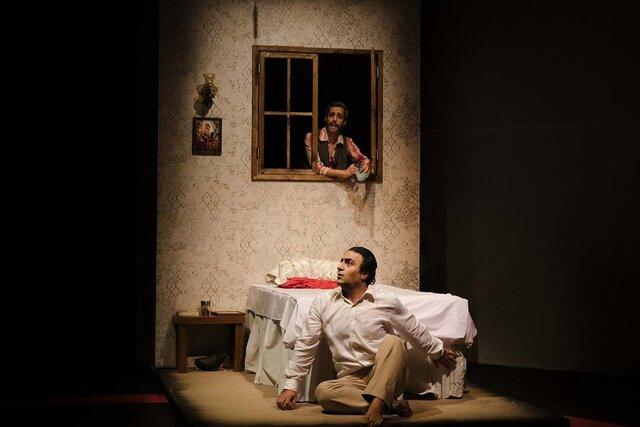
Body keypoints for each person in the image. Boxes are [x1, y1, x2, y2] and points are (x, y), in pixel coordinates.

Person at [276, 247, 458, 426]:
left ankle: (378, 405)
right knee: (323, 392)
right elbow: (306, 343)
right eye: (341, 261)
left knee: (394, 341)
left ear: (364, 274)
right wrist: (291, 385)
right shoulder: (323, 302)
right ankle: (390, 404)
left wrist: (438, 352)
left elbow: (413, 329)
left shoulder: (386, 300)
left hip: (386, 371)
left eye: (349, 263)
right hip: (351, 380)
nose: (340, 266)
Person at [305, 101, 371, 179]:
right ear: (325, 118)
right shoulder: (312, 137)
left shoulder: (347, 141)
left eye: (339, 117)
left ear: (344, 122)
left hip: (338, 186)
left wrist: (366, 164)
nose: (334, 119)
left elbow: (362, 158)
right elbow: (316, 167)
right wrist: (343, 173)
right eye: (331, 115)